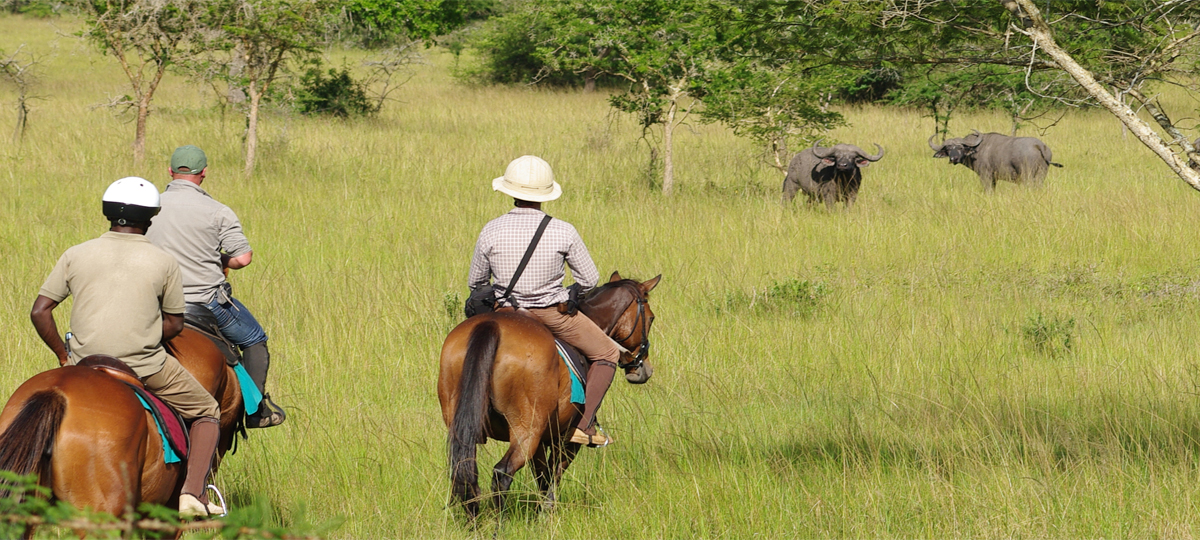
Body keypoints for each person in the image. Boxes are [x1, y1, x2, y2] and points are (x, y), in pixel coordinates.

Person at [30, 177, 225, 518]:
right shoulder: (164, 261)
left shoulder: (76, 253)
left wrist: (64, 356)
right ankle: (193, 494)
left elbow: (40, 311)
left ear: (107, 213)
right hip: (145, 364)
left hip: (82, 363)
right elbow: (176, 324)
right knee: (208, 410)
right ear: (151, 217)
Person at [468, 155, 621, 447]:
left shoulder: (491, 229)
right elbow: (589, 280)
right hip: (551, 313)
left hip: (505, 312)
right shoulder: (563, 230)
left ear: (510, 191)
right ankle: (584, 426)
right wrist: (569, 293)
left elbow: (476, 283)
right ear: (545, 195)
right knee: (607, 353)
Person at [146, 145, 285, 428]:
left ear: (170, 172)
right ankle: (255, 412)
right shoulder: (217, 211)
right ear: (204, 173)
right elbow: (242, 259)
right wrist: (219, 257)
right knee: (255, 340)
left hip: (153, 302)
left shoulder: (150, 206)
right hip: (204, 302)